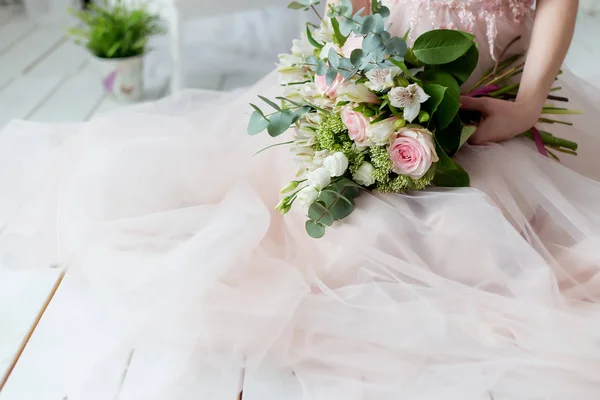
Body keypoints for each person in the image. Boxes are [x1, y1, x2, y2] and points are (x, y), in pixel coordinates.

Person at [1, 0, 600, 397]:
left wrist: (526, 104)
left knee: (491, 247)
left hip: (496, 98)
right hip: (382, 86)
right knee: (344, 247)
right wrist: (350, 82)